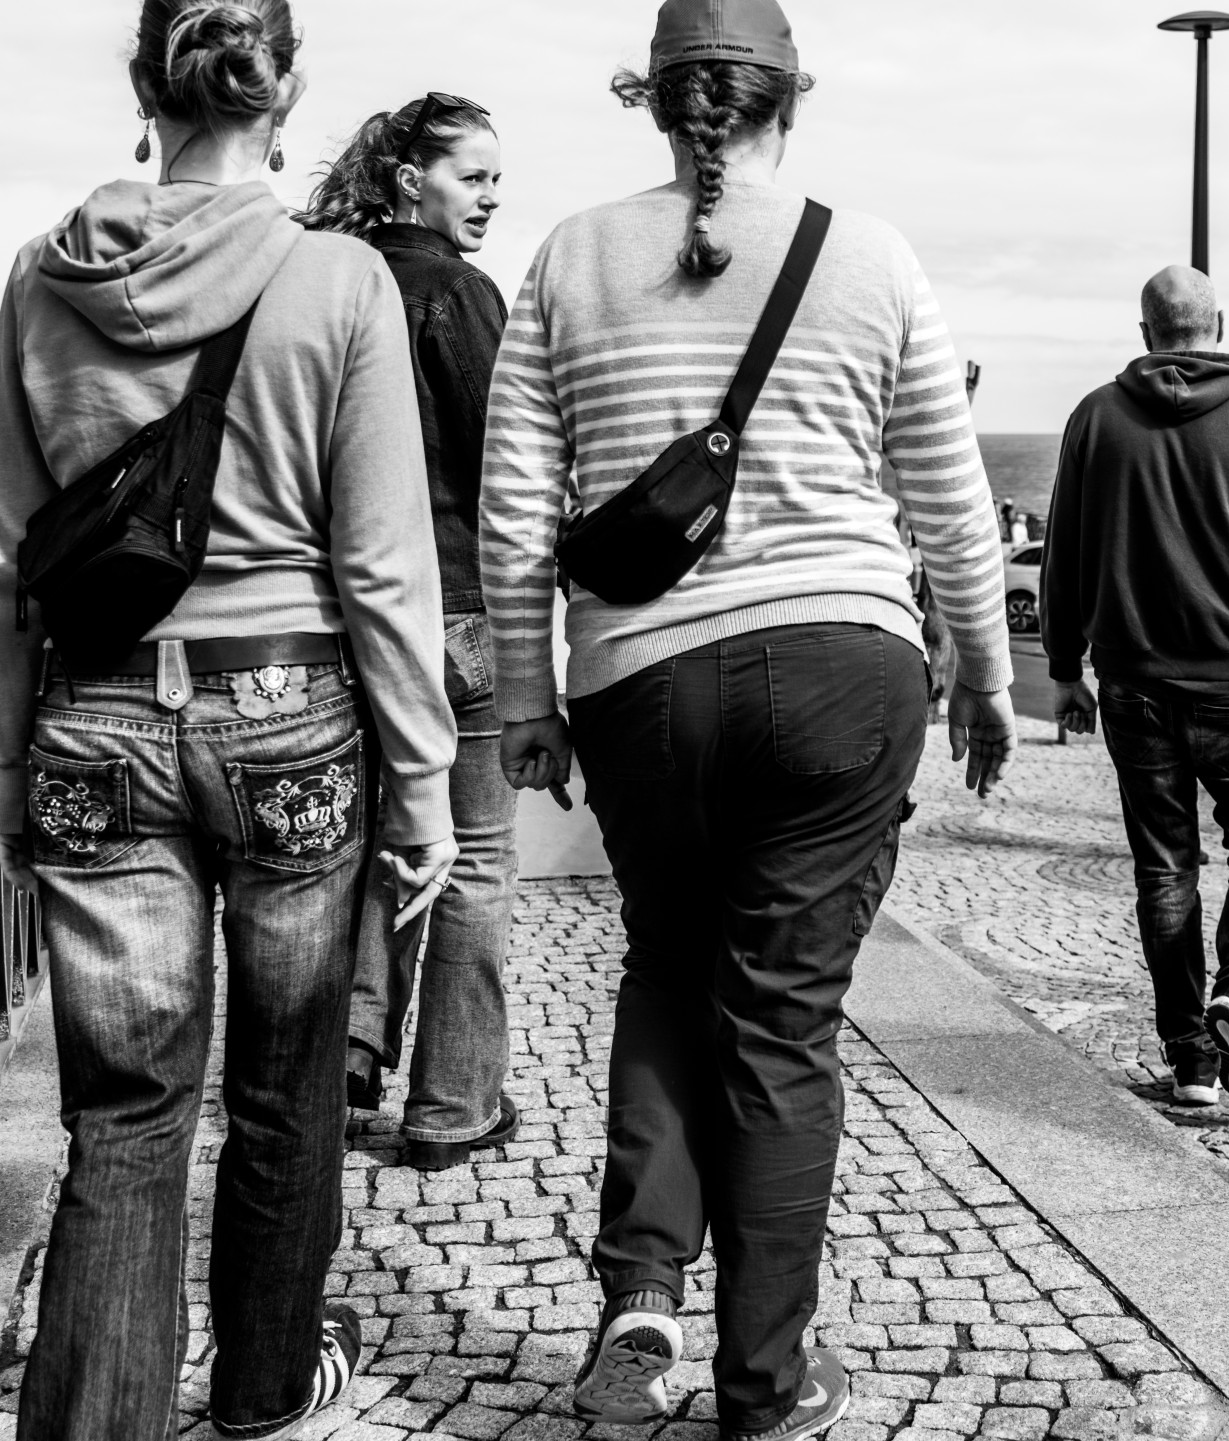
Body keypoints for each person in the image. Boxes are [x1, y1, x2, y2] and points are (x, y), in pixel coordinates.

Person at [476, 0, 1015, 1435]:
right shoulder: (871, 253)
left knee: (666, 964)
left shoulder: (569, 255)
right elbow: (949, 493)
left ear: (652, 100)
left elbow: (518, 502)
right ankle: (766, 1384)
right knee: (783, 1020)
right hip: (844, 662)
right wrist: (985, 673)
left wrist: (527, 694)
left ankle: (641, 1290)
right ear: (796, 97)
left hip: (641, 678)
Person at [0, 2, 459, 1436]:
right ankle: (263, 1387)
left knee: (122, 1119)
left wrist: (8, 768)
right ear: (285, 89)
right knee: (286, 1085)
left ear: (146, 84)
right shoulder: (337, 277)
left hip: (93, 713)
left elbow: (14, 560)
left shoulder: (40, 278)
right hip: (288, 712)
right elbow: (382, 562)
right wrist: (424, 779)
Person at [1042, 266, 1229, 1108]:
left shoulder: (1095, 419)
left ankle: (1192, 1061)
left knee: (1165, 867)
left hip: (1133, 686)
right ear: (1220, 324)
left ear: (1146, 332)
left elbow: (1064, 551)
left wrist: (1063, 668)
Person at [301, 93, 520, 1170]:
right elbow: (505, 466)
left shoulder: (326, 282)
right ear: (408, 179)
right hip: (458, 610)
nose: (491, 197)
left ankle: (345, 1055)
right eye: (473, 176)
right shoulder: (457, 293)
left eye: (496, 180)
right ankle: (452, 1103)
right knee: (474, 854)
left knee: (371, 840)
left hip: (339, 615)